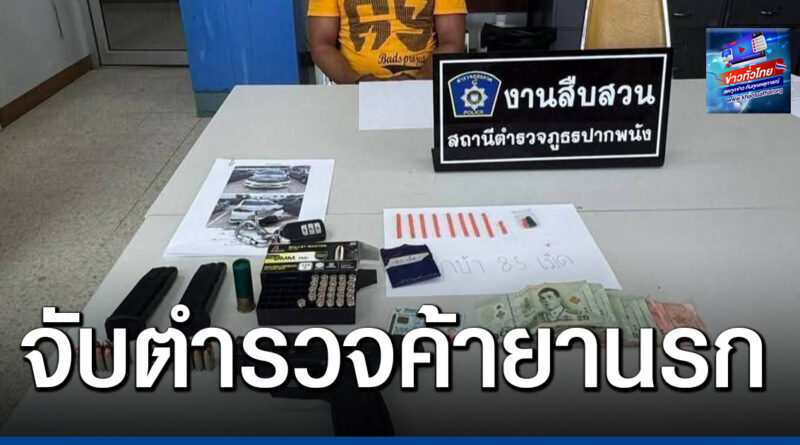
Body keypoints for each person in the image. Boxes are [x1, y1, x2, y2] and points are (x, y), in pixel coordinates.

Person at [308, 0, 467, 84]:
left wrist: (419, 81)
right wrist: (356, 82)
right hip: (352, 94)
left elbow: (452, 42)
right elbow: (322, 46)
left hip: (426, 90)